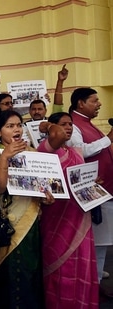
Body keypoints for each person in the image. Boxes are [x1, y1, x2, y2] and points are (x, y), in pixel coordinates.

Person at [0, 110, 51, 308]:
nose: (16, 129)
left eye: (19, 125)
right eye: (10, 126)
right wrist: (5, 157)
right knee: (8, 275)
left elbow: (42, 187)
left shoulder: (33, 153)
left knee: (30, 272)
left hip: (30, 225)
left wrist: (47, 197)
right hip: (6, 225)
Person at [37, 112, 99, 308]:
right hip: (56, 214)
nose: (69, 127)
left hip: (79, 213)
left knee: (81, 261)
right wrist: (48, 128)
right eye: (63, 124)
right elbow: (54, 138)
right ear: (52, 128)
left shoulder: (75, 152)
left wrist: (91, 183)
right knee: (58, 262)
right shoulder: (45, 150)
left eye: (71, 124)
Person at [66, 87, 113, 288]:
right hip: (91, 191)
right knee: (98, 240)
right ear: (80, 103)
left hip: (103, 189)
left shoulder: (88, 124)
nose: (99, 104)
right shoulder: (72, 125)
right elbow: (80, 152)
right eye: (94, 101)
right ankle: (94, 284)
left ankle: (96, 278)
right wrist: (109, 137)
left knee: (102, 239)